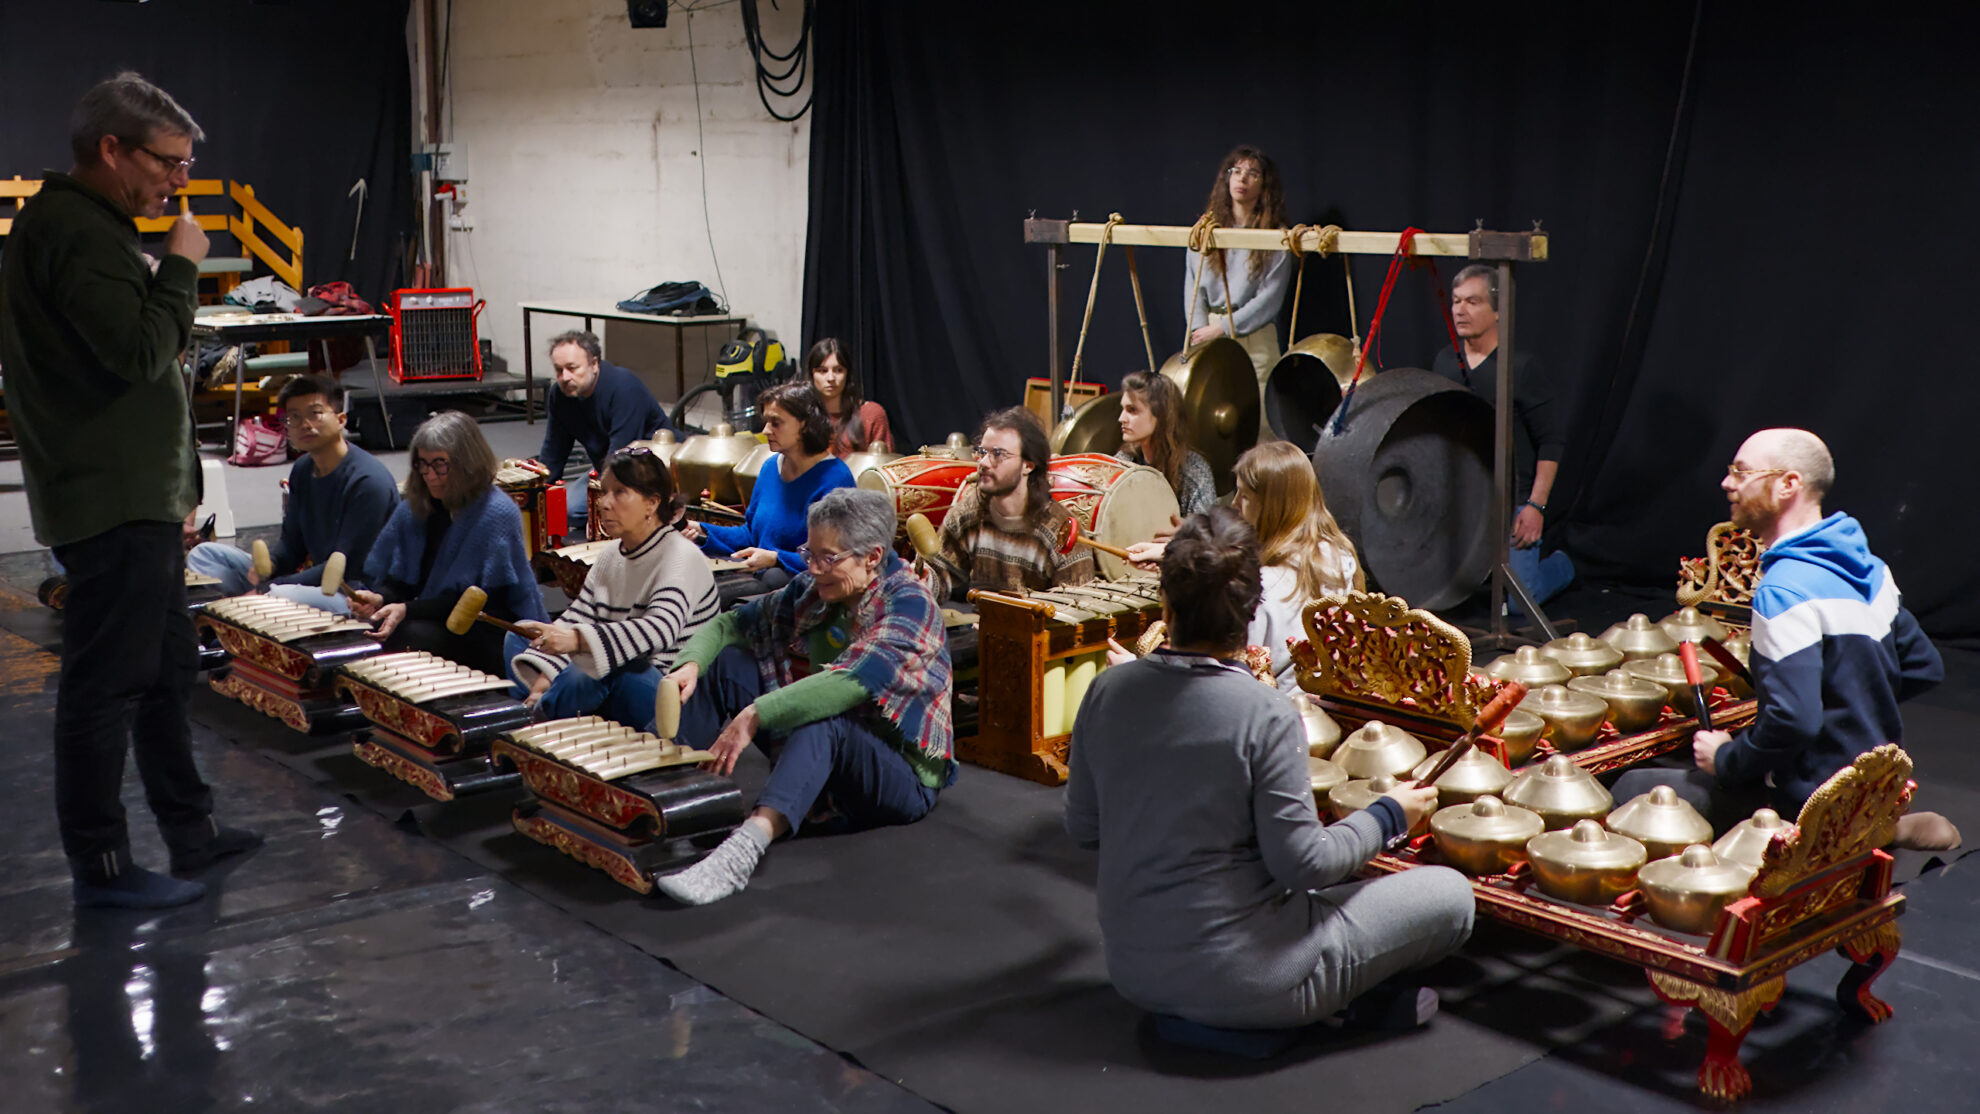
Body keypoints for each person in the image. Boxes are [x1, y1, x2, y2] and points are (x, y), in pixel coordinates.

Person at [0, 73, 261, 908]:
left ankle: (191, 829)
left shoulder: (84, 226)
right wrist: (182, 269)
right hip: (112, 502)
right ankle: (103, 867)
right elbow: (138, 355)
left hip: (132, 496)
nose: (178, 180)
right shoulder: (77, 234)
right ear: (111, 149)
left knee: (165, 667)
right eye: (168, 162)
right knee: (106, 681)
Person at [1066, 508, 1471, 1034]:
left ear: (1164, 600)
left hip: (1134, 973)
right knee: (1451, 897)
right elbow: (1305, 864)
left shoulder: (1106, 690)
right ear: (1253, 608)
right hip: (1252, 979)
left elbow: (1084, 828)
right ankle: (1326, 1010)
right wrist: (1391, 814)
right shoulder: (1265, 711)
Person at [1612, 428, 1955, 849]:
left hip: (1809, 800)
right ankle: (1878, 825)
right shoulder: (1871, 569)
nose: (1727, 483)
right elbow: (1924, 666)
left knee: (1633, 787)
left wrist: (1726, 759)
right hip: (1871, 786)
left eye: (1741, 472)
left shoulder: (1785, 589)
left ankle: (1849, 838)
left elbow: (1794, 720)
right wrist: (1853, 705)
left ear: (1789, 484)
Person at [654, 488, 956, 905]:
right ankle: (663, 790)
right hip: (822, 752)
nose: (812, 568)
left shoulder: (909, 602)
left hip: (899, 778)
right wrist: (688, 664)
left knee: (824, 717)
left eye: (827, 558)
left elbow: (850, 682)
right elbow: (728, 625)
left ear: (872, 556)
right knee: (730, 662)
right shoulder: (814, 590)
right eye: (809, 554)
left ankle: (742, 852)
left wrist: (755, 714)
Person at [505, 446, 721, 727]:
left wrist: (578, 642)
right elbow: (579, 617)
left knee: (602, 665)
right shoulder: (611, 555)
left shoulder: (682, 556)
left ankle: (534, 720)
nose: (604, 503)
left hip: (671, 699)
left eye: (619, 492)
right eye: (604, 491)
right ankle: (544, 704)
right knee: (521, 634)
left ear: (652, 503)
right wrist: (547, 671)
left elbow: (659, 629)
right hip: (619, 677)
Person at [349, 411, 547, 675]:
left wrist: (407, 609)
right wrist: (380, 597)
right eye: (422, 464)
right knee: (371, 627)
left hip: (489, 629)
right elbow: (405, 581)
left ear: (467, 463)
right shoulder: (418, 508)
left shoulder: (497, 513)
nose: (429, 474)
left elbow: (481, 600)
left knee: (407, 635)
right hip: (438, 617)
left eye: (439, 464)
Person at [186, 374, 399, 613]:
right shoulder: (303, 469)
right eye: (294, 418)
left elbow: (346, 568)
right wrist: (270, 566)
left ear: (341, 419)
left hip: (353, 593)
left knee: (277, 594)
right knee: (205, 554)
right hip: (308, 583)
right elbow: (291, 547)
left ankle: (239, 608)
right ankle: (232, 612)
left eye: (315, 413)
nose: (305, 425)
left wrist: (270, 586)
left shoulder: (368, 482)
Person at [1432, 264, 1574, 612]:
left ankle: (1563, 565)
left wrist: (1535, 506)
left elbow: (1551, 441)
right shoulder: (1444, 363)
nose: (1461, 310)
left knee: (1521, 602)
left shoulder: (1521, 368)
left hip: (1513, 500)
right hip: (1464, 499)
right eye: (1456, 301)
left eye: (1473, 301)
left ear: (1498, 311)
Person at [683, 382, 856, 605]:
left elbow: (838, 559)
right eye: (766, 421)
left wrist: (776, 559)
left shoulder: (835, 479)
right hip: (760, 579)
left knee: (768, 580)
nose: (765, 430)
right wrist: (702, 532)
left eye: (776, 423)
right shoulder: (769, 468)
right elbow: (751, 535)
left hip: (803, 590)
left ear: (805, 424)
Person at [923, 407, 1095, 603]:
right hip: (982, 629)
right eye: (982, 452)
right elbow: (940, 578)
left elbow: (1078, 613)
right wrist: (924, 581)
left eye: (998, 454)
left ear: (1028, 466)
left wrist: (1008, 623)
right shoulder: (969, 514)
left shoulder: (1061, 531)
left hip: (1039, 631)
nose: (984, 463)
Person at [534, 329, 671, 534]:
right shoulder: (560, 395)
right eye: (559, 370)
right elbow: (554, 450)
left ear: (594, 364)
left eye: (572, 368)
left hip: (649, 470)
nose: (565, 377)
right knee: (568, 509)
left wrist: (603, 496)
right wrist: (538, 491)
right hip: (606, 468)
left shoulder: (624, 387)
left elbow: (621, 456)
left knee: (585, 508)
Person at [1183, 145, 1292, 385]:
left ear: (1264, 185)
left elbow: (1269, 299)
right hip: (1208, 333)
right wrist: (1200, 330)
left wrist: (1222, 328)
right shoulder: (1205, 231)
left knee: (1258, 415)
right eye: (1236, 170)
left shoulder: (1275, 236)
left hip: (1254, 337)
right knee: (1208, 412)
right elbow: (1193, 288)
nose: (1242, 177)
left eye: (1253, 173)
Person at [1117, 370, 1215, 517]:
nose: (1121, 418)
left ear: (1161, 415)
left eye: (1132, 410)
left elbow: (1210, 531)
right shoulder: (1124, 460)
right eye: (1123, 409)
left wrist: (1185, 531)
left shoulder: (1194, 471)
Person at [806, 337, 893, 458]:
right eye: (822, 371)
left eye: (838, 370)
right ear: (812, 375)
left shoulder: (871, 414)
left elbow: (883, 468)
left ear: (848, 374)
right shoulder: (801, 415)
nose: (831, 378)